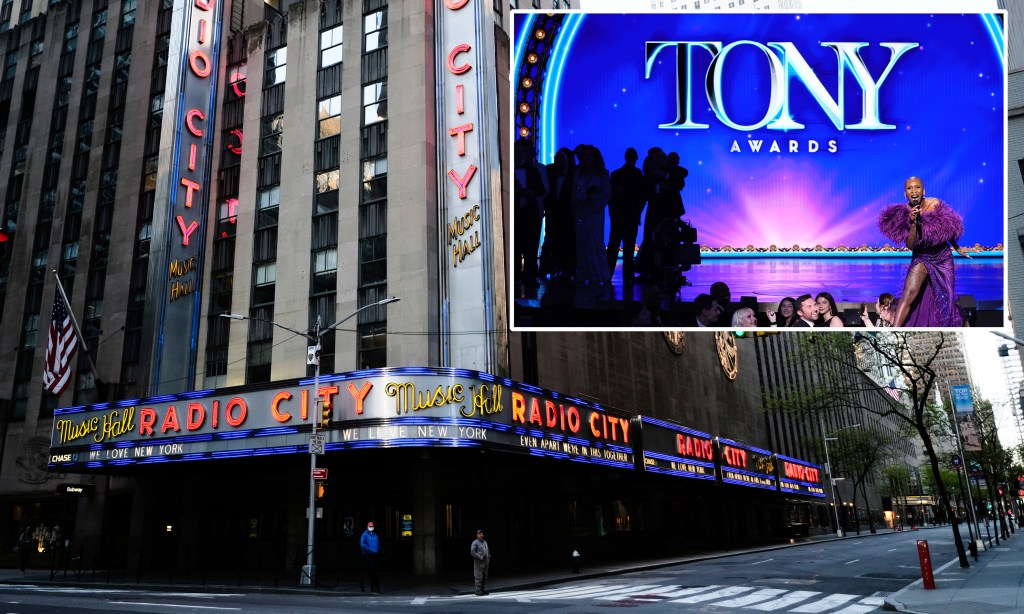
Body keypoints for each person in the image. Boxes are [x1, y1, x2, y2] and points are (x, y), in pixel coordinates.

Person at [878, 177, 966, 327]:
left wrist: (957, 247)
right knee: (909, 293)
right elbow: (911, 245)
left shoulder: (935, 204)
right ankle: (895, 330)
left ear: (923, 191)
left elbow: (947, 229)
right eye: (909, 188)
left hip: (942, 256)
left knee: (946, 299)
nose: (914, 191)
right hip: (921, 256)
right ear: (905, 193)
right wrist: (913, 223)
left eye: (917, 187)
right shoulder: (903, 213)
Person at [572, 145, 611, 286]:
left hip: (595, 212)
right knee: (582, 241)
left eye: (589, 156)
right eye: (585, 156)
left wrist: (594, 198)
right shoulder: (579, 173)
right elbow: (574, 191)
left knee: (595, 241)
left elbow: (607, 193)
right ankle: (582, 273)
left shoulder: (603, 174)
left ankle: (599, 273)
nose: (587, 159)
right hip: (581, 211)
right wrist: (576, 202)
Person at [606, 147, 646, 282]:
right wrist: (638, 212)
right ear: (635, 158)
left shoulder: (616, 174)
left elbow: (610, 196)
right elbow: (641, 195)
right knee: (629, 249)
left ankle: (608, 273)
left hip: (617, 216)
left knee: (613, 247)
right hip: (631, 216)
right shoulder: (637, 174)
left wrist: (612, 212)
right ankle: (628, 276)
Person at [513, 138, 549, 286]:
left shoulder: (537, 168)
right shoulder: (511, 167)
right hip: (515, 212)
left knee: (531, 245)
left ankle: (530, 275)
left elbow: (544, 189)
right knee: (516, 244)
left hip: (532, 211)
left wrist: (531, 193)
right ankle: (515, 275)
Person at [540, 147, 576, 280]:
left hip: (568, 213)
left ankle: (567, 268)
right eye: (556, 158)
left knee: (567, 241)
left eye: (561, 158)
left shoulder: (573, 174)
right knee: (550, 239)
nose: (558, 161)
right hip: (553, 212)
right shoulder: (550, 171)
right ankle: (546, 268)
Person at [360, 521, 381, 593]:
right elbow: (362, 544)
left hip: (374, 555)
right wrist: (369, 550)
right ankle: (374, 588)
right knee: (372, 570)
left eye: (372, 526)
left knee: (375, 571)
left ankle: (375, 587)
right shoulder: (364, 535)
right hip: (367, 555)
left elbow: (378, 544)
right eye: (370, 526)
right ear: (367, 527)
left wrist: (377, 550)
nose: (371, 527)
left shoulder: (375, 535)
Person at [471, 529, 490, 596]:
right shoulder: (475, 542)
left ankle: (482, 590)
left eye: (482, 534)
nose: (481, 535)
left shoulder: (485, 542)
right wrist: (479, 557)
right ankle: (478, 591)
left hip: (485, 562)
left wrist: (488, 558)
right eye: (479, 534)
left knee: (484, 576)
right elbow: (472, 552)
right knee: (479, 576)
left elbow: (487, 551)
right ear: (477, 535)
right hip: (479, 563)